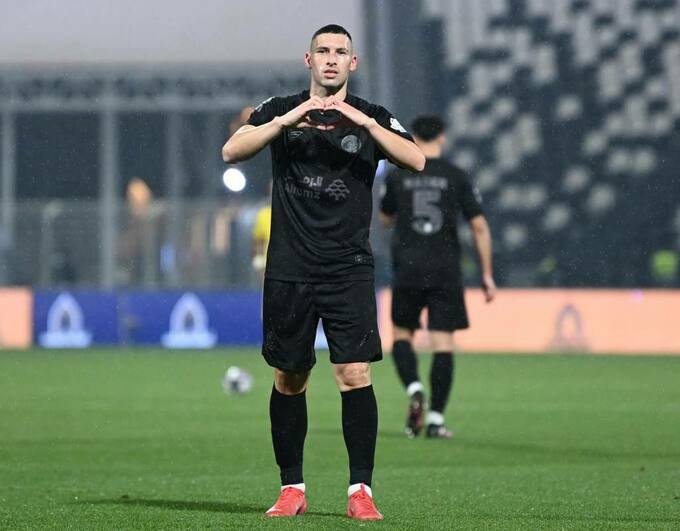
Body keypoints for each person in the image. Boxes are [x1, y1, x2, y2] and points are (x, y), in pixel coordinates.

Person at [221, 24, 425, 520]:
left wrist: (362, 121)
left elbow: (416, 159)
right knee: (290, 376)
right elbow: (232, 151)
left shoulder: (372, 116)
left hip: (347, 267)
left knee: (354, 373)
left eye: (340, 52)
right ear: (308, 59)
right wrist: (288, 120)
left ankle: (361, 492)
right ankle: (292, 488)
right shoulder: (281, 109)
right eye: (323, 51)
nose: (331, 59)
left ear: (353, 63)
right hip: (290, 266)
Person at [379, 114, 496, 439]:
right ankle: (436, 420)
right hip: (445, 267)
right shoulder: (456, 175)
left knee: (402, 334)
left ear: (413, 136)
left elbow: (385, 218)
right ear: (442, 136)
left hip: (408, 266)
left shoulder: (399, 173)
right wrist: (487, 273)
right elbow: (479, 226)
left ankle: (415, 388)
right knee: (443, 343)